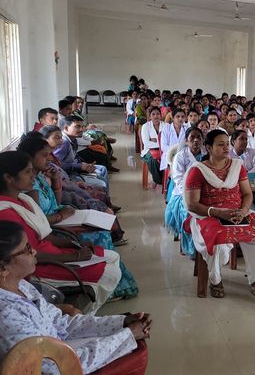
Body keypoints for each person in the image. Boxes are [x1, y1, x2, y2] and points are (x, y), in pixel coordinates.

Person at [0, 221, 151, 374]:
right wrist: (127, 336)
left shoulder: (21, 286)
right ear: (2, 268)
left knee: (129, 344)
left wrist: (120, 322)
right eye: (26, 248)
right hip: (57, 366)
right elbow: (57, 368)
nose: (34, 251)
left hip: (56, 351)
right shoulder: (7, 314)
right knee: (130, 351)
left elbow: (61, 324)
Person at [0, 151, 122, 312]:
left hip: (52, 253)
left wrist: (75, 244)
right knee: (111, 273)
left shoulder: (24, 199)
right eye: (27, 172)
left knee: (113, 257)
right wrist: (74, 257)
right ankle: (81, 315)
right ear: (9, 178)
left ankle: (87, 306)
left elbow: (45, 235)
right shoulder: (5, 213)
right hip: (39, 267)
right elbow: (27, 254)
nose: (33, 176)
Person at [183, 130, 255, 302]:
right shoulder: (198, 171)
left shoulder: (237, 166)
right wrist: (218, 213)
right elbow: (192, 204)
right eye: (220, 144)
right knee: (217, 241)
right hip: (209, 215)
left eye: (227, 144)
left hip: (237, 212)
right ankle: (215, 280)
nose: (226, 147)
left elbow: (247, 194)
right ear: (209, 148)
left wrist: (243, 211)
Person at [165, 127, 204, 255]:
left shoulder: (206, 156)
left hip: (204, 192)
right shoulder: (180, 157)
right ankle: (190, 248)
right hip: (183, 194)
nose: (196, 140)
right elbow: (179, 180)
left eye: (199, 137)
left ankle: (207, 243)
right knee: (189, 213)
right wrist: (192, 195)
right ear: (186, 141)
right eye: (192, 138)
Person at [54, 116, 110, 190]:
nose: (81, 129)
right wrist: (79, 166)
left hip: (75, 169)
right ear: (66, 128)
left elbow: (74, 157)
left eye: (82, 127)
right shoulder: (64, 143)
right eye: (77, 127)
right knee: (101, 183)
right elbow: (56, 165)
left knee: (102, 169)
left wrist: (84, 165)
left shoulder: (73, 140)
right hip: (68, 175)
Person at [141, 106, 165, 187]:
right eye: (153, 114)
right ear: (150, 116)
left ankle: (163, 179)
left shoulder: (166, 125)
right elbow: (146, 143)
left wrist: (155, 141)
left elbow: (168, 140)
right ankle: (158, 180)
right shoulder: (145, 126)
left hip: (163, 150)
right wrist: (161, 143)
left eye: (158, 114)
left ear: (161, 115)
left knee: (168, 159)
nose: (156, 116)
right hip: (149, 150)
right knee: (153, 160)